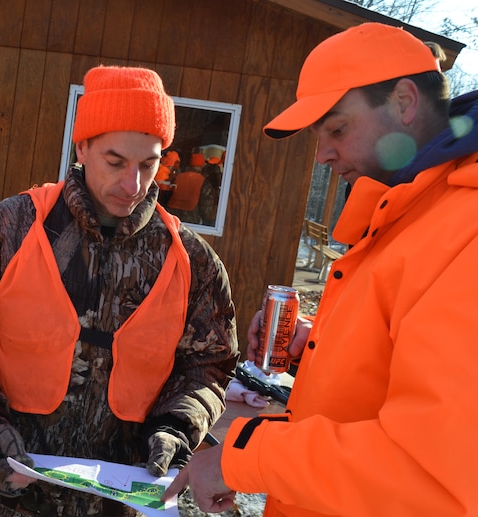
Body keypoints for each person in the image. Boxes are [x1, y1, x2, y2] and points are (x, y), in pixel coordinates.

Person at [164, 22, 478, 516]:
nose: (323, 153)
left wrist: (244, 457)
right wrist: (313, 346)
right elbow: (387, 383)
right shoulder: (407, 213)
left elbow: (429, 470)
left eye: (337, 128)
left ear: (403, 101)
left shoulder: (464, 229)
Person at [0, 65, 239, 516]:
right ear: (82, 145)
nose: (134, 185)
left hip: (122, 503)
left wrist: (177, 426)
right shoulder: (6, 231)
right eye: (115, 162)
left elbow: (209, 367)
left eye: (149, 164)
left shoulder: (194, 262)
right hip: (9, 495)